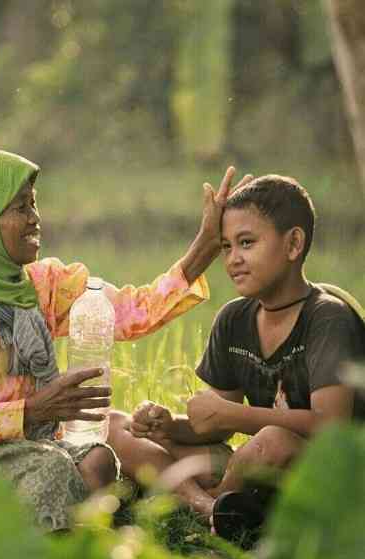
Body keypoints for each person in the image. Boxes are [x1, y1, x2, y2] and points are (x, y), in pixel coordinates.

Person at [0, 149, 250, 530]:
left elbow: (132, 312)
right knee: (55, 469)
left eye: (34, 203)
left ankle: (64, 536)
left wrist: (206, 247)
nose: (35, 218)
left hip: (17, 447)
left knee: (98, 459)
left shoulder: (38, 285)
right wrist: (31, 411)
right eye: (19, 208)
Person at [120, 174, 364, 526]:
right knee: (118, 425)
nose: (233, 258)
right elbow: (215, 425)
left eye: (246, 243)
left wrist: (231, 417)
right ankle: (213, 508)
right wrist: (169, 426)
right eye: (226, 247)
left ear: (294, 244)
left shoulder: (327, 318)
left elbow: (331, 426)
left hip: (329, 477)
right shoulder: (234, 318)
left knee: (273, 442)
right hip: (256, 466)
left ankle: (200, 508)